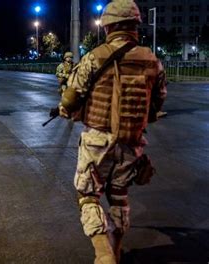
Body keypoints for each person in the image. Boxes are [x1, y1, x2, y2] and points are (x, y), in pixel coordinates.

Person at [57, 0, 167, 263]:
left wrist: (66, 110)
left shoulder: (95, 57)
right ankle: (116, 250)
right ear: (135, 26)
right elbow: (157, 104)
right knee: (119, 196)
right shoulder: (153, 61)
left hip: (98, 142)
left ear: (109, 26)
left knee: (88, 195)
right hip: (132, 142)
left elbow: (70, 100)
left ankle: (103, 254)